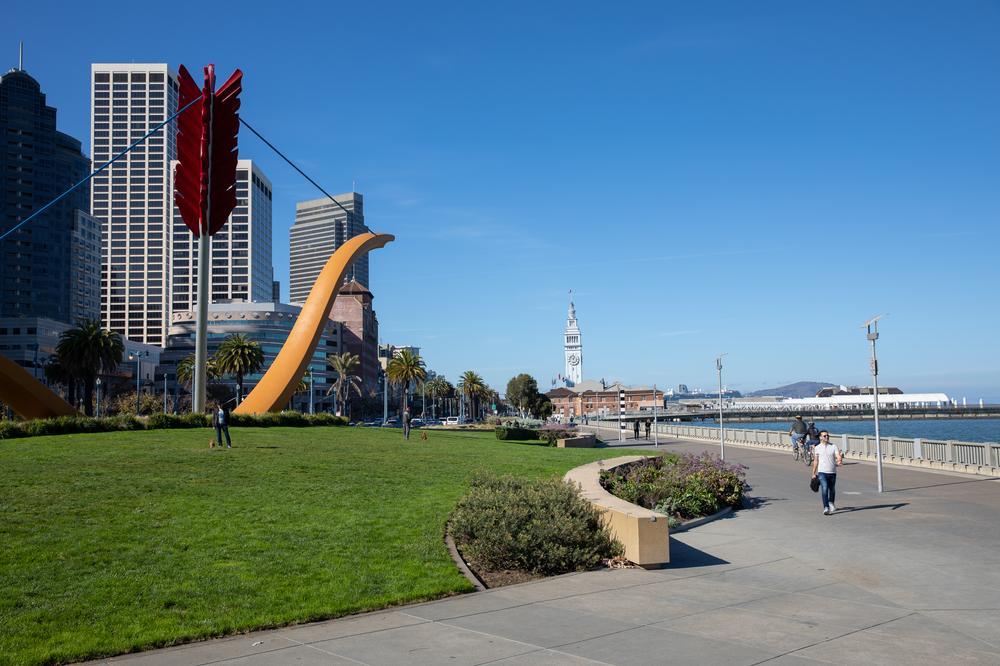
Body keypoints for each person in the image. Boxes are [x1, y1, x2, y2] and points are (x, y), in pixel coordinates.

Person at [812, 430, 843, 515]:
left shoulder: (833, 446)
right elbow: (816, 461)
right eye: (825, 436)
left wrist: (839, 460)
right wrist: (813, 473)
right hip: (822, 472)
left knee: (832, 489)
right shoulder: (817, 447)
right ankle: (826, 507)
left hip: (832, 471)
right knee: (824, 489)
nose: (827, 437)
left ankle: (831, 503)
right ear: (820, 437)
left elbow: (837, 455)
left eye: (827, 435)